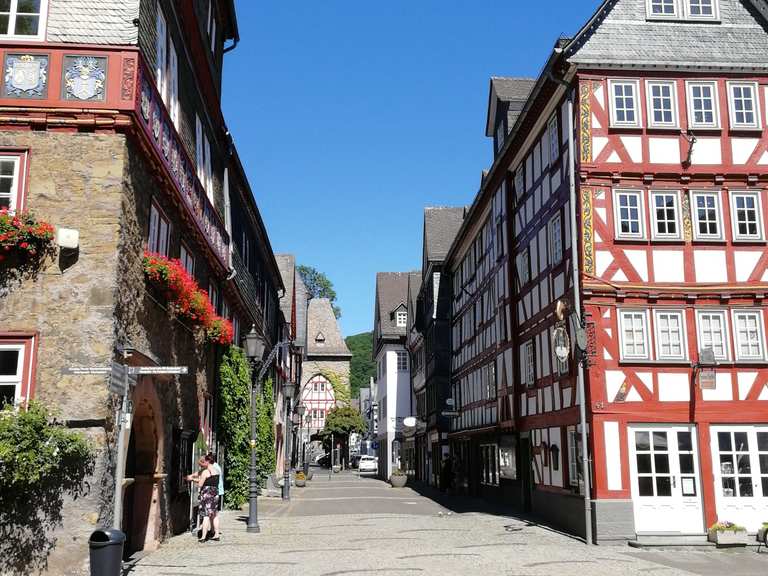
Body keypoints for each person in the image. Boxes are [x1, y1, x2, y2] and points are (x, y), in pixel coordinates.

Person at [186, 454, 220, 542]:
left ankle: (203, 537)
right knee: (214, 515)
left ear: (207, 462)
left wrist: (192, 480)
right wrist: (194, 476)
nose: (201, 464)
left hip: (207, 495)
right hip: (215, 494)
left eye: (202, 462)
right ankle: (216, 534)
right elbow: (207, 480)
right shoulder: (216, 471)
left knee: (205, 516)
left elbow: (201, 484)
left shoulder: (205, 472)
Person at [207, 452, 224, 538]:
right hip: (217, 491)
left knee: (213, 513)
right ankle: (213, 530)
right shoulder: (217, 466)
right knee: (213, 512)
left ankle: (214, 531)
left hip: (214, 491)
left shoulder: (214, 468)